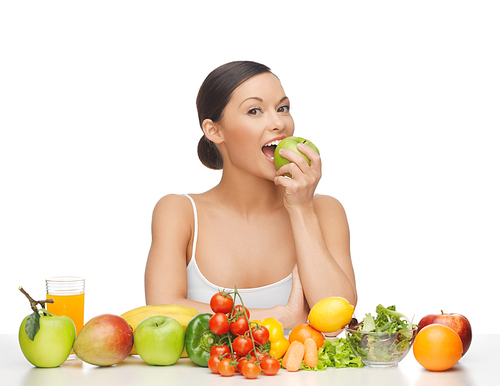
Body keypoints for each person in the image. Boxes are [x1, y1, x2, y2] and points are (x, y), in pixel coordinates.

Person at [144, 61, 356, 329]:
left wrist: (302, 210)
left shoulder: (324, 211)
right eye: (254, 111)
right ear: (214, 130)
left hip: (300, 373)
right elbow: (162, 310)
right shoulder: (180, 212)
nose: (279, 123)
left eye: (283, 108)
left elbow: (338, 316)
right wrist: (277, 317)